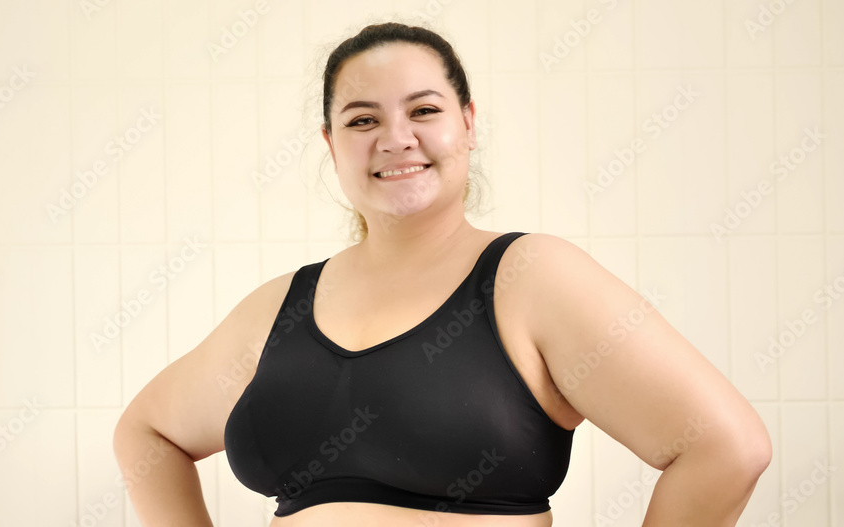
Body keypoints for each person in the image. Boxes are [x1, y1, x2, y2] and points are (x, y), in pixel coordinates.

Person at [113, 22, 771, 526]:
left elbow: (727, 448)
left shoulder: (532, 277)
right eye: (362, 119)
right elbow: (148, 433)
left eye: (423, 110)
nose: (395, 138)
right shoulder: (277, 307)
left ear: (468, 123)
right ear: (331, 145)